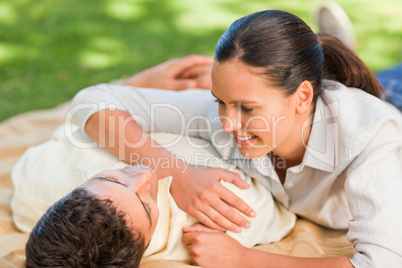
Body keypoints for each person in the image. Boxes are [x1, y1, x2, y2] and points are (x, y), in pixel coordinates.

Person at [69, 9, 402, 268]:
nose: (227, 123)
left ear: (302, 97)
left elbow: (384, 263)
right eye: (220, 99)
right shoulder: (227, 118)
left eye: (246, 107)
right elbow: (93, 102)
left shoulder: (373, 140)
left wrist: (243, 260)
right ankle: (329, 55)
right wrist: (176, 171)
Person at [14, 127, 295, 267]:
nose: (147, 174)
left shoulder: (31, 188)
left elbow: (71, 129)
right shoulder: (217, 217)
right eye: (147, 204)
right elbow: (284, 205)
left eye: (111, 178)